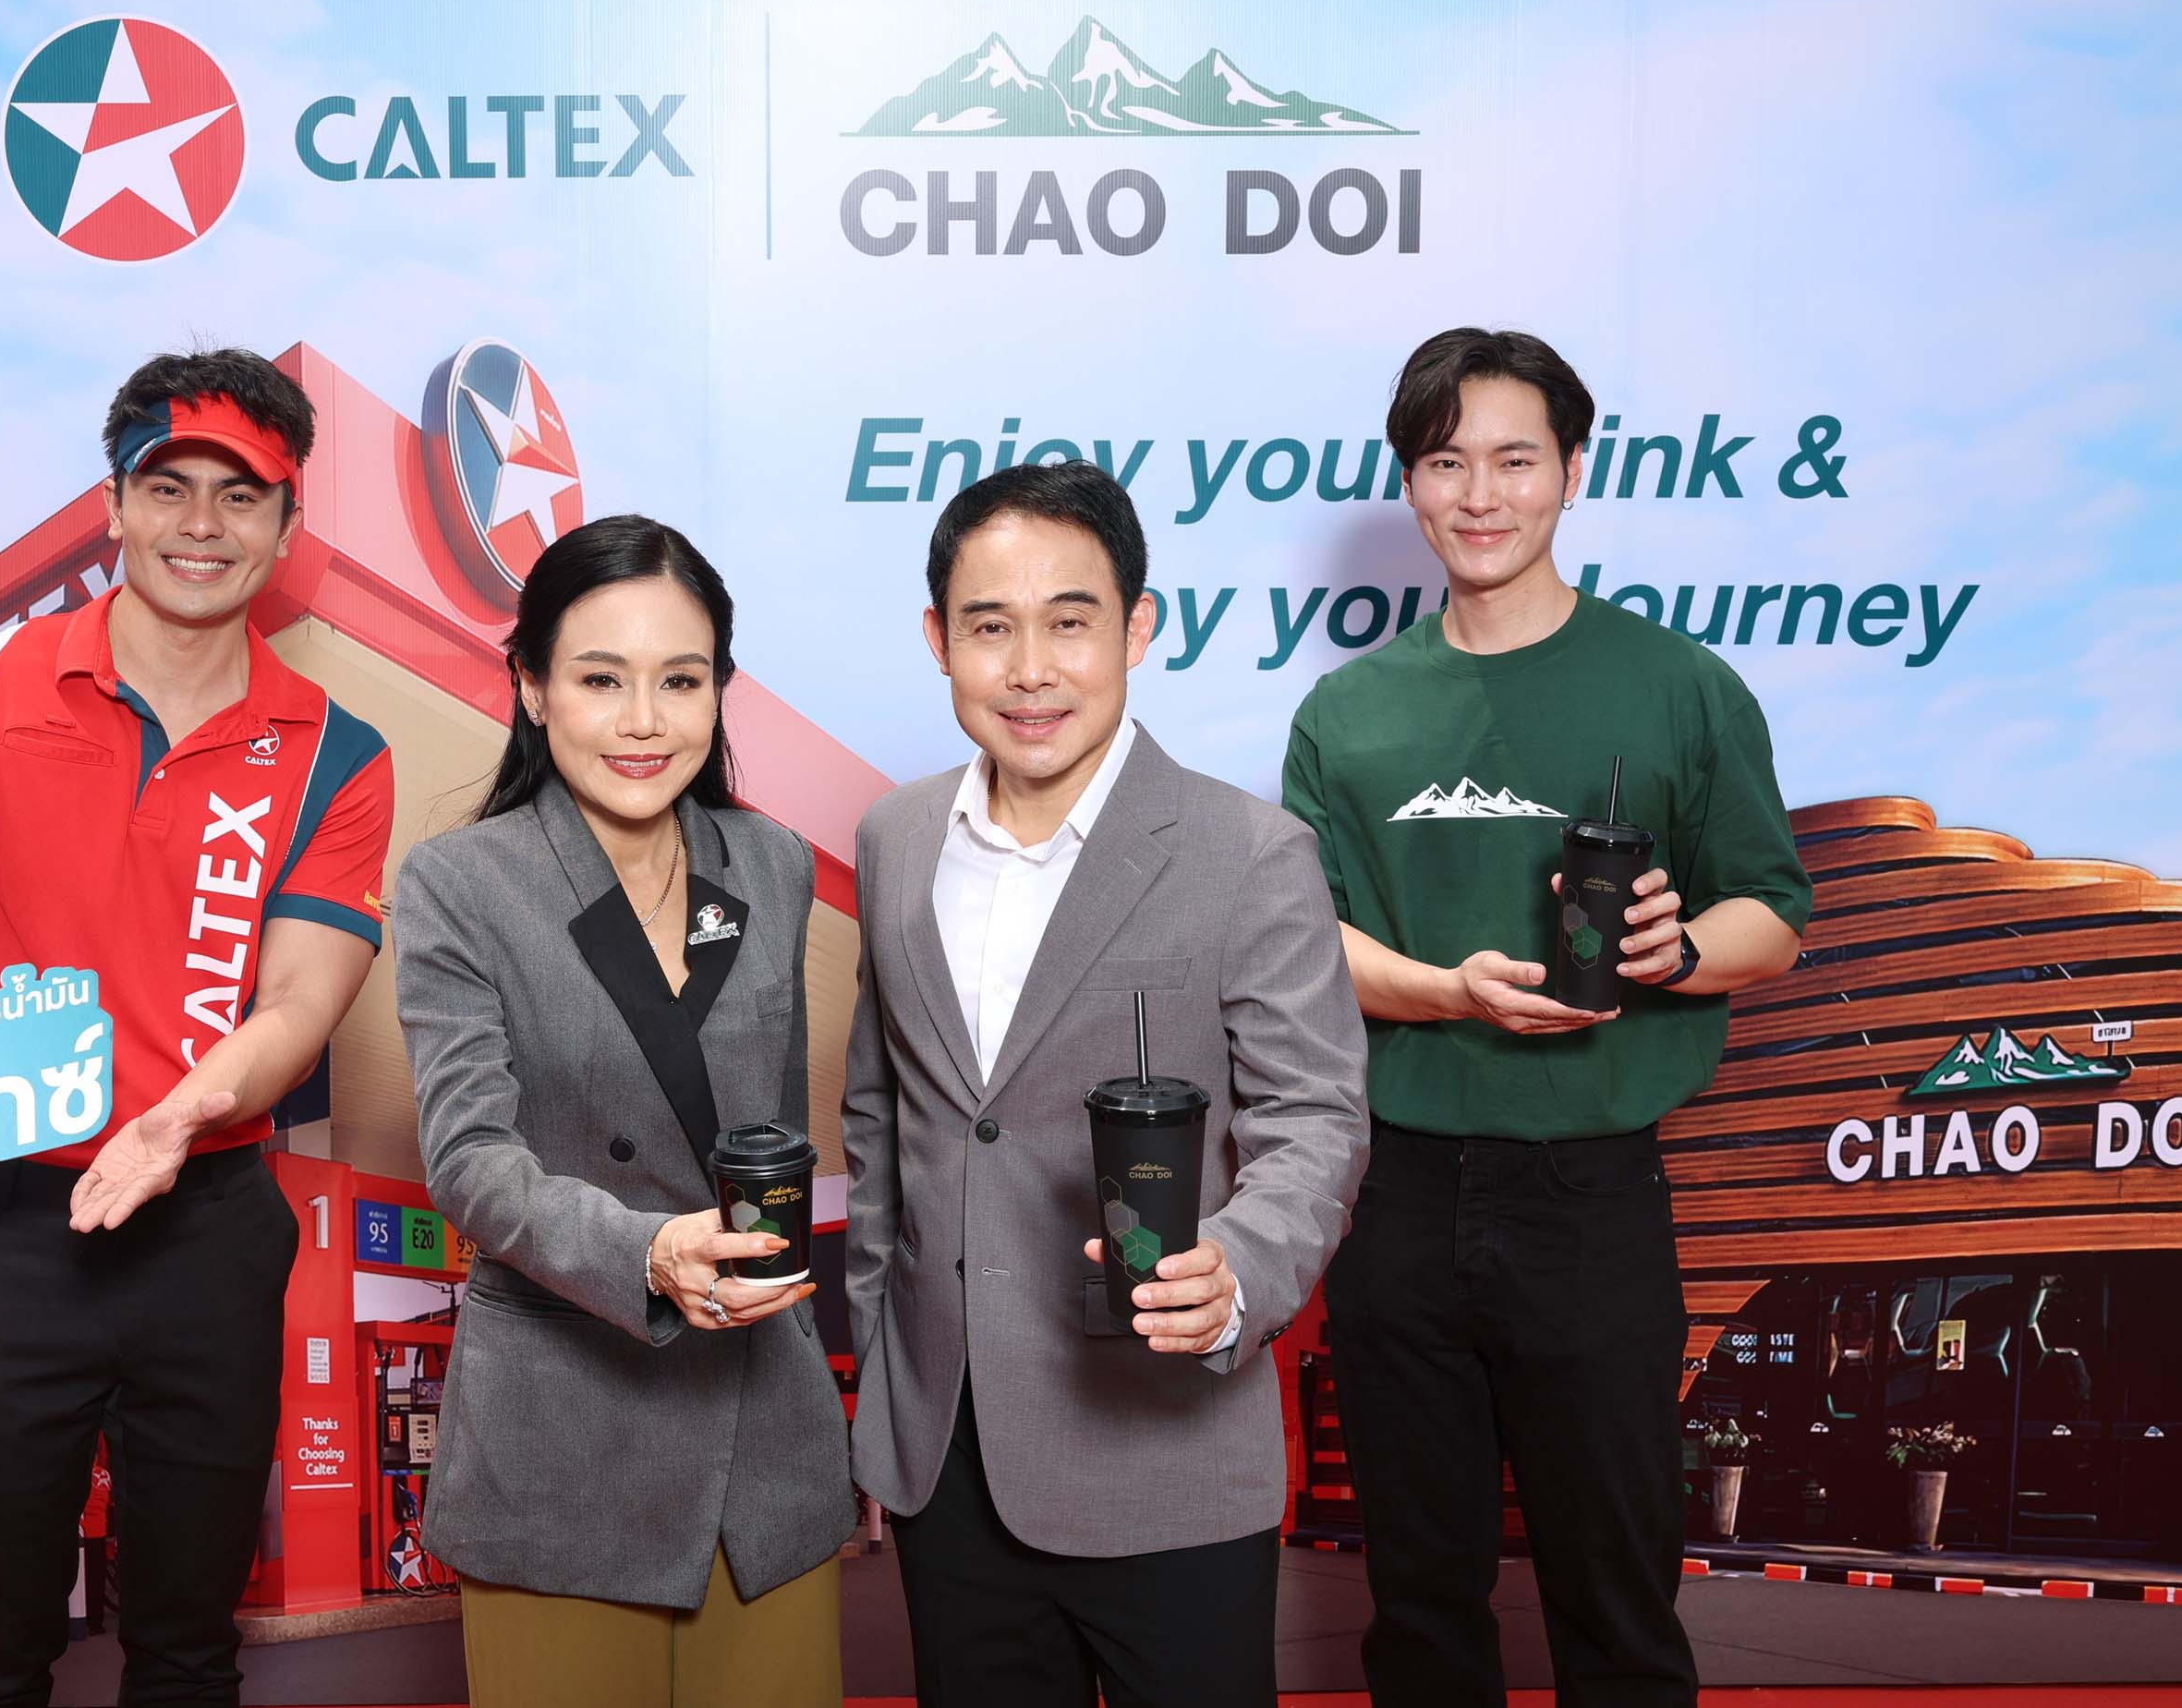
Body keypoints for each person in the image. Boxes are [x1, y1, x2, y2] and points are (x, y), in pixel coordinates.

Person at [1281, 328, 1811, 1707]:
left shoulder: (1679, 686)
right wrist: (1445, 991)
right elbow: (1306, 944)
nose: (1481, 495)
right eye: (1446, 462)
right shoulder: (1347, 712)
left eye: (1515, 460)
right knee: (1420, 1603)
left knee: (1618, 1602)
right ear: (1409, 481)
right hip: (1398, 1192)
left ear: (1574, 470)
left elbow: (1773, 911)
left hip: (1595, 1197)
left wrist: (1673, 953)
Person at [0, 347, 394, 1706]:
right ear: (111, 506)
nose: (201, 525)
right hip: (4, 1216)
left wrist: (175, 1120)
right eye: (168, 487)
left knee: (188, 1649)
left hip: (206, 1219)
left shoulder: (338, 750)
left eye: (241, 495)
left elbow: (300, 1002)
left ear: (287, 527)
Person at [842, 461, 1371, 1708]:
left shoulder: (1250, 852)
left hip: (1162, 1446)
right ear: (939, 642)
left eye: (1070, 622)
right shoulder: (895, 838)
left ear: (1138, 627)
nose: (1031, 669)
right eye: (990, 627)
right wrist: (882, 1380)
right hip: (947, 1459)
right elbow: (884, 1118)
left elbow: (1313, 1121)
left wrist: (1237, 1269)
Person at [394, 515, 851, 1708]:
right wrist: (647, 1253)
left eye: (680, 681)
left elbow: (775, 1136)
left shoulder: (772, 864)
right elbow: (470, 1159)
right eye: (601, 680)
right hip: (565, 1439)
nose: (644, 721)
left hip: (764, 1440)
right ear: (532, 688)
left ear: (720, 691)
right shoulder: (462, 884)